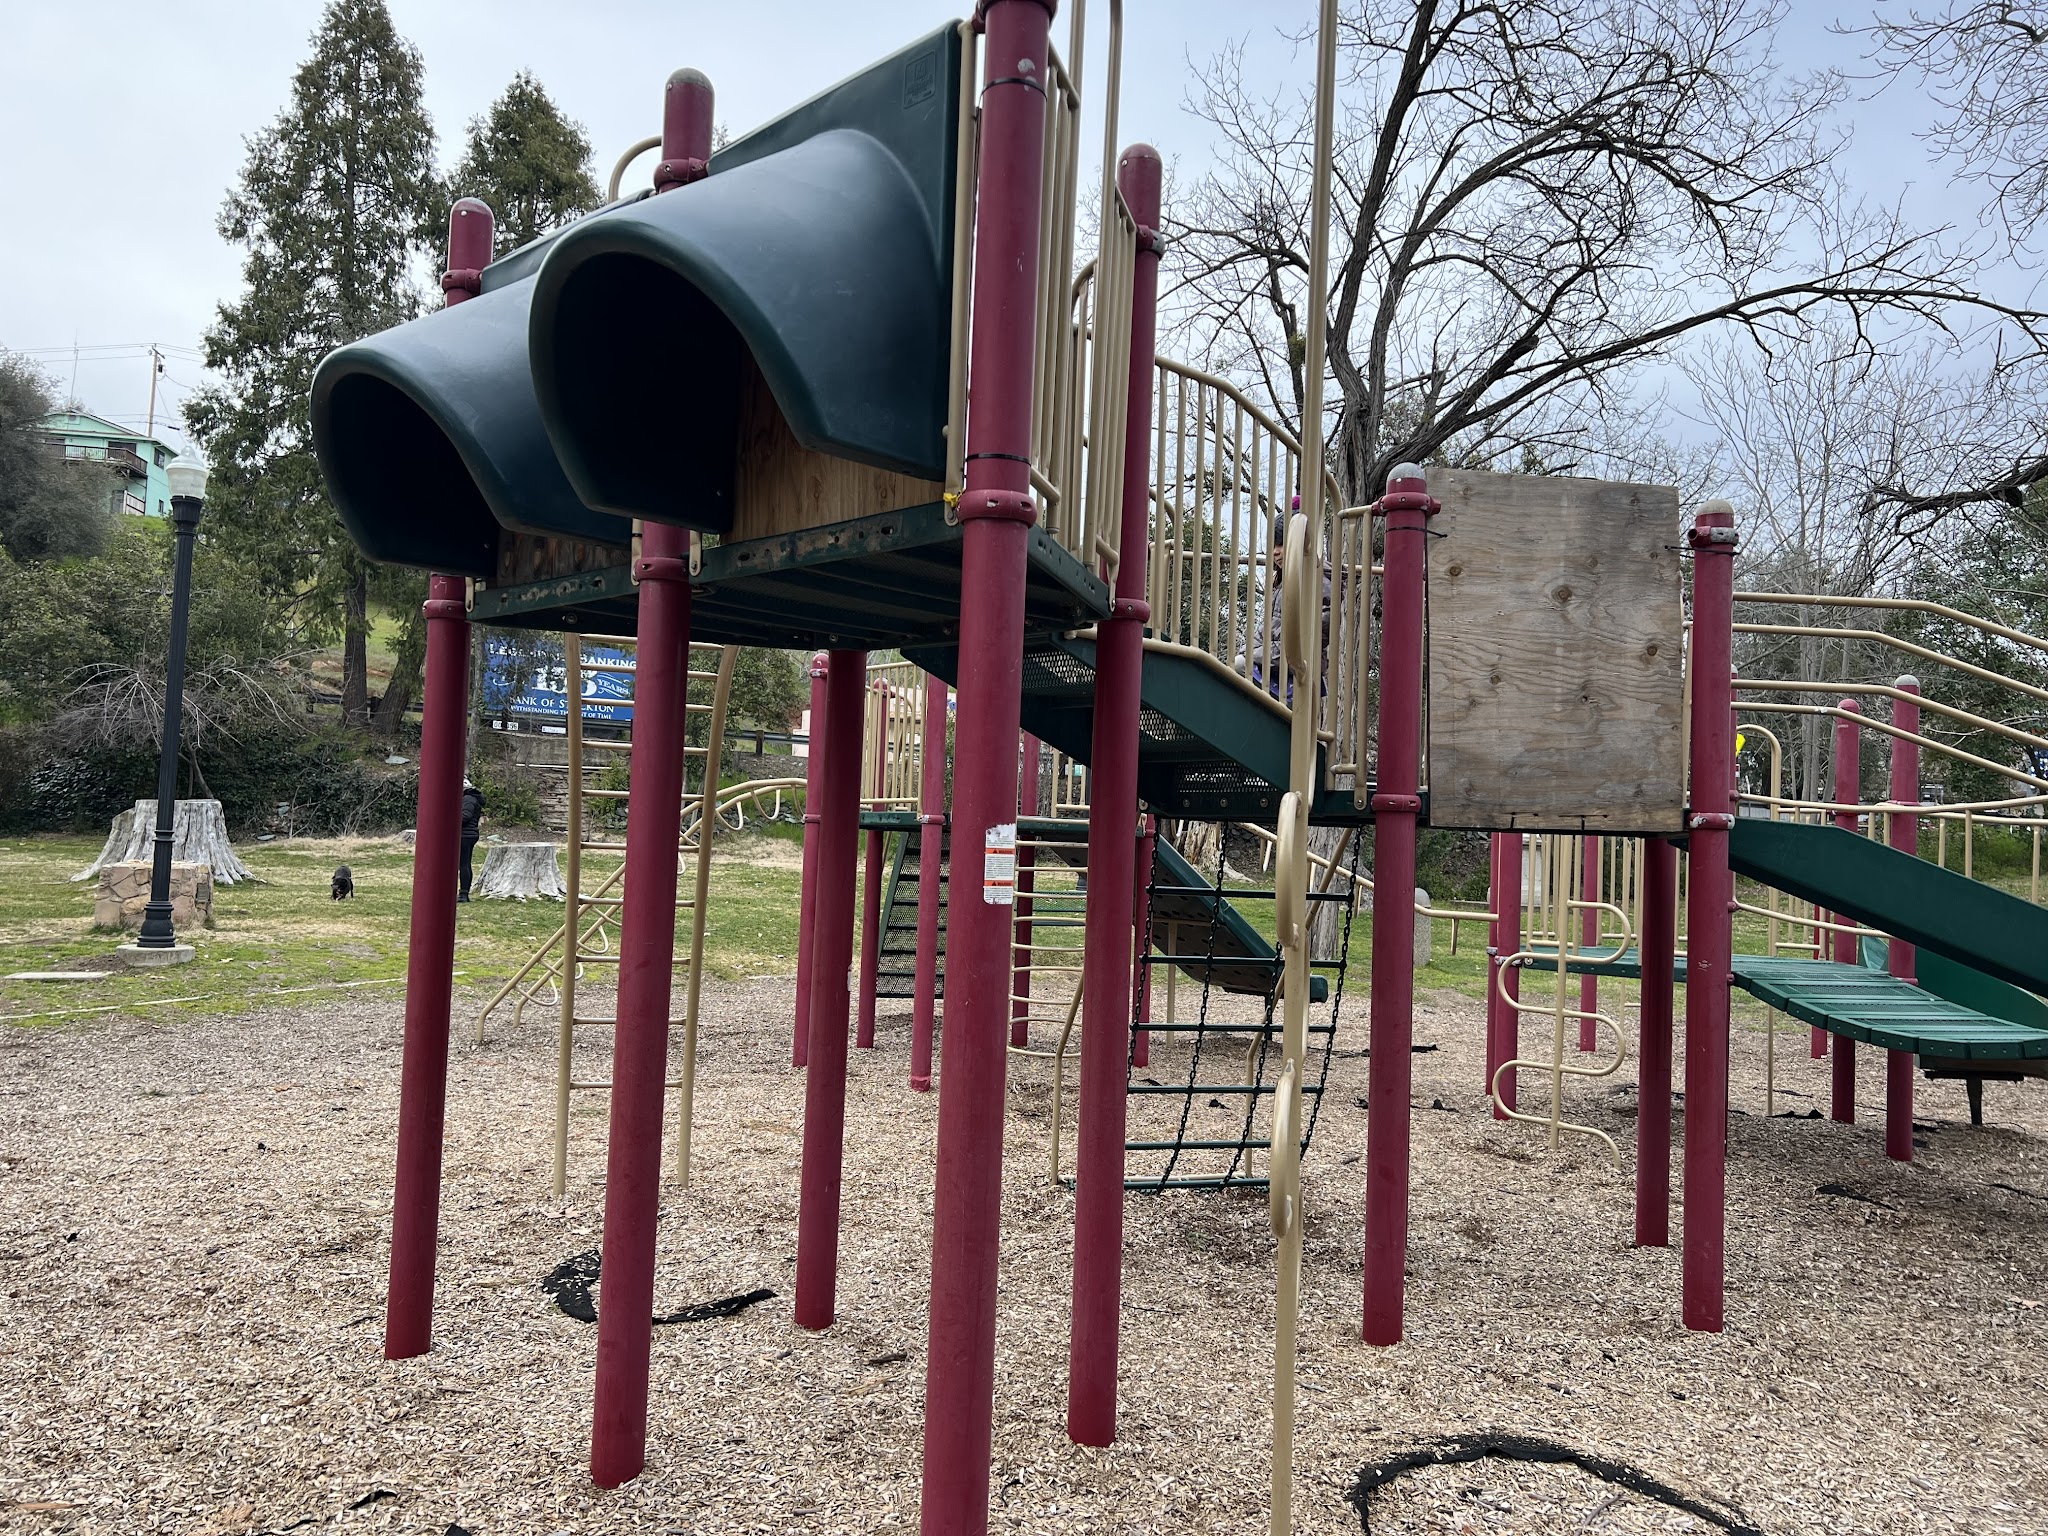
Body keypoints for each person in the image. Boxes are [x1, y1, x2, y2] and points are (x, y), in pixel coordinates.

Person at [458, 777, 485, 903]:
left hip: (465, 835)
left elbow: (465, 816)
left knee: (463, 864)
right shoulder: (472, 798)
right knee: (464, 864)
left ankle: (463, 894)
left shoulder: (468, 799)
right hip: (469, 834)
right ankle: (463, 893)